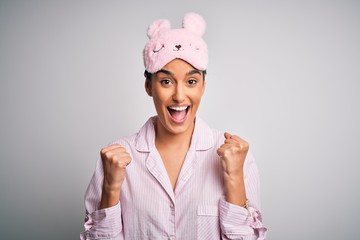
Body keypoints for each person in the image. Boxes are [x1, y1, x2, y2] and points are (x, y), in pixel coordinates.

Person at [80, 12, 267, 240]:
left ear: (203, 86)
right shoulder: (115, 158)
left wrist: (235, 177)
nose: (179, 96)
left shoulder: (238, 157)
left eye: (191, 81)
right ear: (149, 86)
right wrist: (110, 188)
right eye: (166, 81)